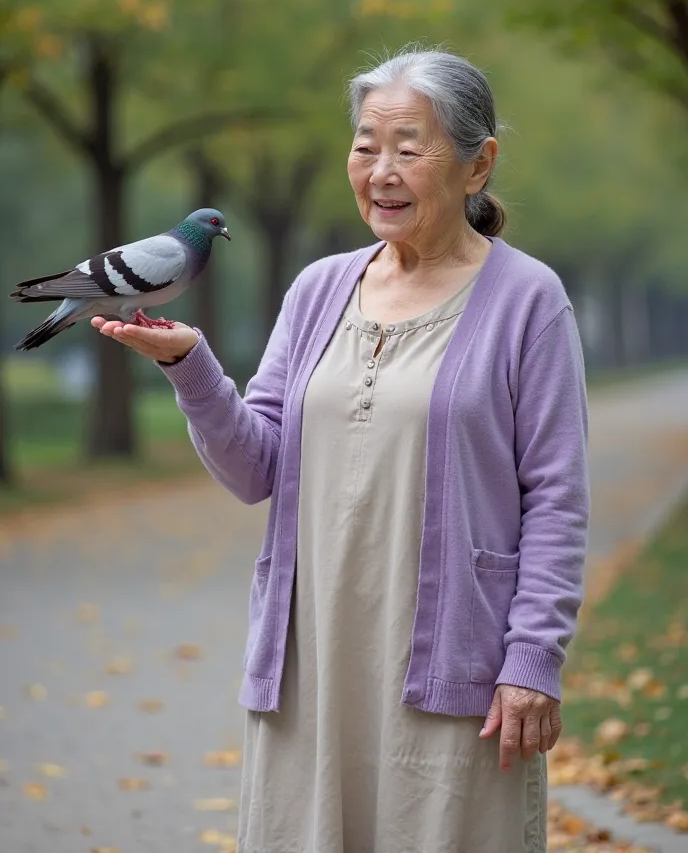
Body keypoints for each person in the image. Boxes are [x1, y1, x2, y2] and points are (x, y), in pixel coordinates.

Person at [93, 47, 590, 853]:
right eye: (365, 146)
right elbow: (256, 468)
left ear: (478, 165)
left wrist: (532, 656)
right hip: (311, 669)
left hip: (452, 674)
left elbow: (558, 497)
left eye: (408, 146)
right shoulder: (319, 288)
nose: (381, 170)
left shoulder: (529, 301)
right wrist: (190, 366)